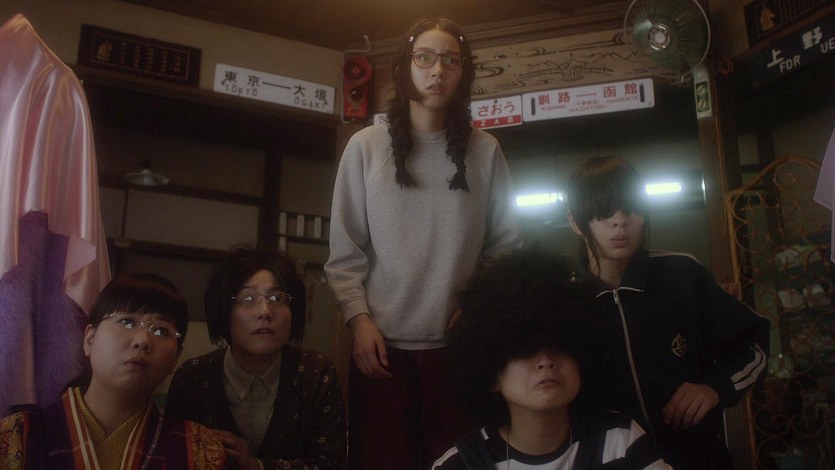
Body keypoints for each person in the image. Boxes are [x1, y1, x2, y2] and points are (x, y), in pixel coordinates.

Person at [325, 16, 523, 469]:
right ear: (405, 66)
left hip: (459, 349)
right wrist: (357, 319)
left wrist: (477, 303)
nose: (438, 70)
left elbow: (506, 245)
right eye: (425, 58)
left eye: (451, 60)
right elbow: (344, 250)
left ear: (464, 71)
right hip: (380, 350)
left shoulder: (485, 150)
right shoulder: (366, 146)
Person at [565, 155, 771, 469]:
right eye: (604, 212)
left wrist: (714, 387)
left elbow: (753, 341)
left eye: (632, 209)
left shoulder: (682, 274)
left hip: (698, 460)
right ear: (575, 222)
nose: (620, 221)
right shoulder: (562, 299)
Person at [432, 247, 671, 469]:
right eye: (523, 349)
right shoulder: (458, 465)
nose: (546, 361)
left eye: (561, 346)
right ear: (492, 375)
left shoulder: (621, 442)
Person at [0, 273, 227, 469]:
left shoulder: (198, 450)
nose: (142, 340)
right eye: (127, 322)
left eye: (160, 330)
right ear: (89, 339)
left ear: (175, 358)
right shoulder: (17, 437)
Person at [165, 245, 346, 470]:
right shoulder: (192, 377)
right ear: (224, 313)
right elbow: (173, 459)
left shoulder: (316, 373)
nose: (265, 311)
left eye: (277, 298)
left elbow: (332, 464)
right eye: (248, 298)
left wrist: (258, 466)